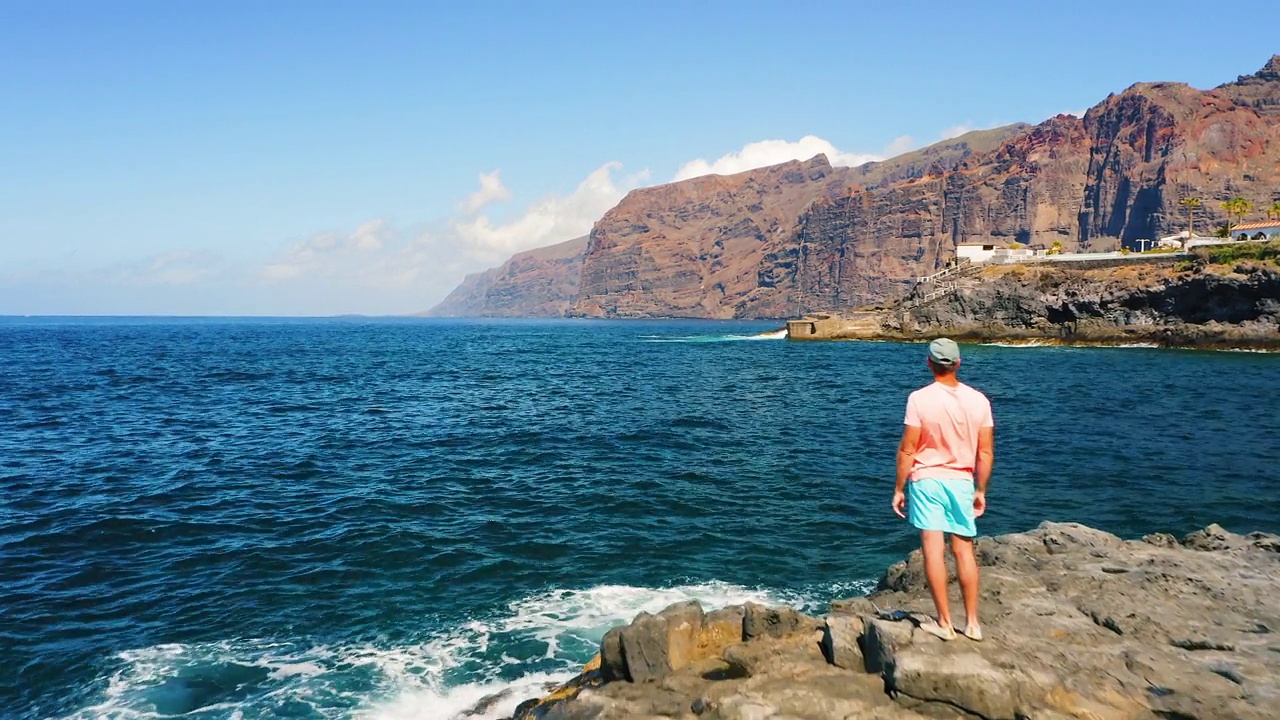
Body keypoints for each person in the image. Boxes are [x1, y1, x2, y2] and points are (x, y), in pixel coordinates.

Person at [892, 338, 994, 641]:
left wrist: (899, 488)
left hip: (926, 480)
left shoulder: (919, 399)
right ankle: (973, 623)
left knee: (933, 552)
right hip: (962, 480)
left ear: (929, 364)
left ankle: (945, 623)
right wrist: (981, 490)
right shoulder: (979, 401)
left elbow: (908, 449)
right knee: (964, 551)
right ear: (958, 363)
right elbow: (985, 453)